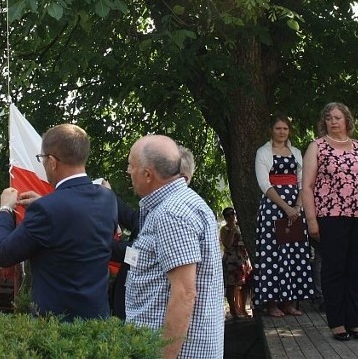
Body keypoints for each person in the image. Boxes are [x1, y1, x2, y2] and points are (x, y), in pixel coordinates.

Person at [0, 123, 118, 319]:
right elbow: (77, 225)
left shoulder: (47, 209)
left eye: (42, 159)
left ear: (52, 161)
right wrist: (45, 203)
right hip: (97, 324)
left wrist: (5, 209)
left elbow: (3, 254)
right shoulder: (107, 198)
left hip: (57, 331)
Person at [124, 135, 224, 359]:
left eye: (131, 165)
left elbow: (184, 294)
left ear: (147, 174)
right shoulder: (181, 202)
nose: (128, 171)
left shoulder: (172, 214)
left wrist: (164, 356)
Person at [302, 102, 358, 342]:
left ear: (347, 120)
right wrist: (312, 220)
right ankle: (337, 323)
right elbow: (306, 186)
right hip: (330, 215)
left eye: (337, 117)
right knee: (334, 269)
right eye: (328, 118)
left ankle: (353, 322)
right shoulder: (317, 146)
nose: (333, 121)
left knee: (355, 270)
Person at [106, 145, 197, 320]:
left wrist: (89, 242)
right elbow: (131, 218)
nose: (130, 172)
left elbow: (138, 253)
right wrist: (108, 196)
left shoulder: (173, 214)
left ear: (182, 178)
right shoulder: (156, 207)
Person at [253, 115, 313, 317]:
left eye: (285, 128)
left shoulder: (296, 152)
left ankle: (289, 302)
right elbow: (264, 183)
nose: (282, 132)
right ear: (271, 130)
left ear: (289, 131)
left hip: (295, 207)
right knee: (272, 254)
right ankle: (272, 304)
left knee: (293, 252)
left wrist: (297, 206)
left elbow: (303, 182)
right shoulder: (263, 152)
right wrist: (285, 207)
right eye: (278, 128)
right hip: (273, 205)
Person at [220, 207, 250, 318]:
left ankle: (242, 309)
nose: (231, 217)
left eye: (232, 214)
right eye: (228, 215)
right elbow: (227, 244)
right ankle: (233, 310)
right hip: (231, 261)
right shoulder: (224, 229)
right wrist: (232, 231)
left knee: (244, 285)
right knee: (231, 285)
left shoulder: (240, 226)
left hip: (242, 259)